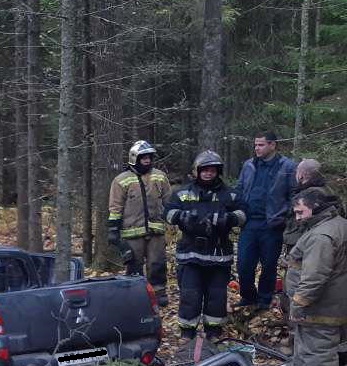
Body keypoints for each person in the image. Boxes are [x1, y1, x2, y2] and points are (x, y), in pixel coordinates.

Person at [164, 150, 246, 340]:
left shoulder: (230, 195)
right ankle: (187, 334)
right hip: (191, 254)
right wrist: (181, 216)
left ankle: (214, 334)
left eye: (213, 170)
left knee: (216, 297)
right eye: (205, 170)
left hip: (219, 255)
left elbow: (243, 214)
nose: (209, 173)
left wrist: (230, 219)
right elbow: (167, 212)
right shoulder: (183, 193)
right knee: (190, 296)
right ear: (196, 171)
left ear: (218, 172)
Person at [286, 187, 347, 366]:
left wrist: (298, 304)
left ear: (316, 208)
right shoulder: (339, 224)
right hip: (336, 303)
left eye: (301, 212)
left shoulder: (321, 236)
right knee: (310, 347)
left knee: (318, 351)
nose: (297, 217)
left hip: (321, 307)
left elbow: (314, 277)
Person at [236, 131, 297, 310]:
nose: (257, 148)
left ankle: (264, 299)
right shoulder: (249, 165)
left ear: (272, 145)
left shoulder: (287, 166)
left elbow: (294, 193)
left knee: (269, 265)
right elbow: (239, 189)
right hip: (249, 223)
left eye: (261, 145)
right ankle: (248, 296)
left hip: (272, 224)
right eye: (255, 145)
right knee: (244, 264)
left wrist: (285, 214)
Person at [107, 140, 172, 306]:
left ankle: (158, 294)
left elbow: (169, 201)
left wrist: (174, 216)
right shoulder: (121, 180)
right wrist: (113, 229)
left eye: (149, 157)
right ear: (135, 158)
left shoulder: (159, 176)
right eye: (144, 157)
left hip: (156, 230)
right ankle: (135, 295)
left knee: (157, 263)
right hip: (132, 231)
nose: (147, 160)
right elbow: (115, 207)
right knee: (134, 265)